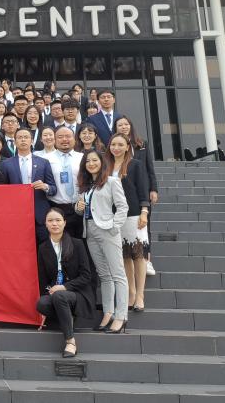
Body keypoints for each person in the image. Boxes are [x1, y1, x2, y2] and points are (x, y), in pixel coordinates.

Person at [75, 150, 129, 334]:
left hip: (107, 230)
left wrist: (114, 226)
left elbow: (122, 207)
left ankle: (121, 316)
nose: (91, 164)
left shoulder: (112, 181)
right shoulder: (85, 186)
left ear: (102, 162)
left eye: (94, 160)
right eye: (87, 161)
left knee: (118, 274)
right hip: (90, 231)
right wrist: (78, 207)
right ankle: (108, 313)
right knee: (104, 275)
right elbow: (81, 211)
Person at [36, 208, 95, 358]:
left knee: (60, 296)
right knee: (41, 304)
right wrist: (44, 308)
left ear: (64, 223)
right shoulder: (43, 248)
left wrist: (64, 287)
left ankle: (70, 342)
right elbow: (43, 279)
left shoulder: (77, 244)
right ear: (45, 224)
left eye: (58, 220)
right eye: (50, 221)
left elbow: (86, 276)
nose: (54, 224)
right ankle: (67, 316)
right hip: (56, 293)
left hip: (78, 293)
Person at [105, 133, 150, 312]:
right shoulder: (105, 166)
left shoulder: (135, 164)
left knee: (138, 255)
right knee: (124, 256)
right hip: (114, 217)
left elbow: (143, 190)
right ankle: (131, 293)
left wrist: (144, 212)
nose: (116, 148)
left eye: (120, 145)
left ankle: (140, 295)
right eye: (113, 144)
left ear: (127, 147)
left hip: (134, 215)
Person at [114, 115, 160, 277]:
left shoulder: (141, 144)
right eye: (120, 125)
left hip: (142, 190)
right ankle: (127, 262)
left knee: (144, 227)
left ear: (131, 126)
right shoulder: (114, 146)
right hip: (123, 192)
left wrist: (153, 188)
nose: (124, 127)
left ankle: (147, 260)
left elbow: (149, 167)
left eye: (126, 124)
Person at [2, 128, 57, 243]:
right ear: (15, 142)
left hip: (40, 214)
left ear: (32, 141)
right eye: (20, 137)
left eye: (26, 137)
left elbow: (53, 189)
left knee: (44, 247)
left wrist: (45, 186)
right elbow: (3, 191)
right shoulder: (6, 164)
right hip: (17, 213)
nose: (23, 140)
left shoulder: (43, 162)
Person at [45, 127, 84, 239]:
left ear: (75, 139)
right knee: (61, 241)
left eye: (68, 136)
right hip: (57, 208)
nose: (64, 139)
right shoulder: (46, 159)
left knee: (80, 241)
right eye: (60, 137)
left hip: (80, 207)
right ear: (55, 139)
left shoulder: (82, 157)